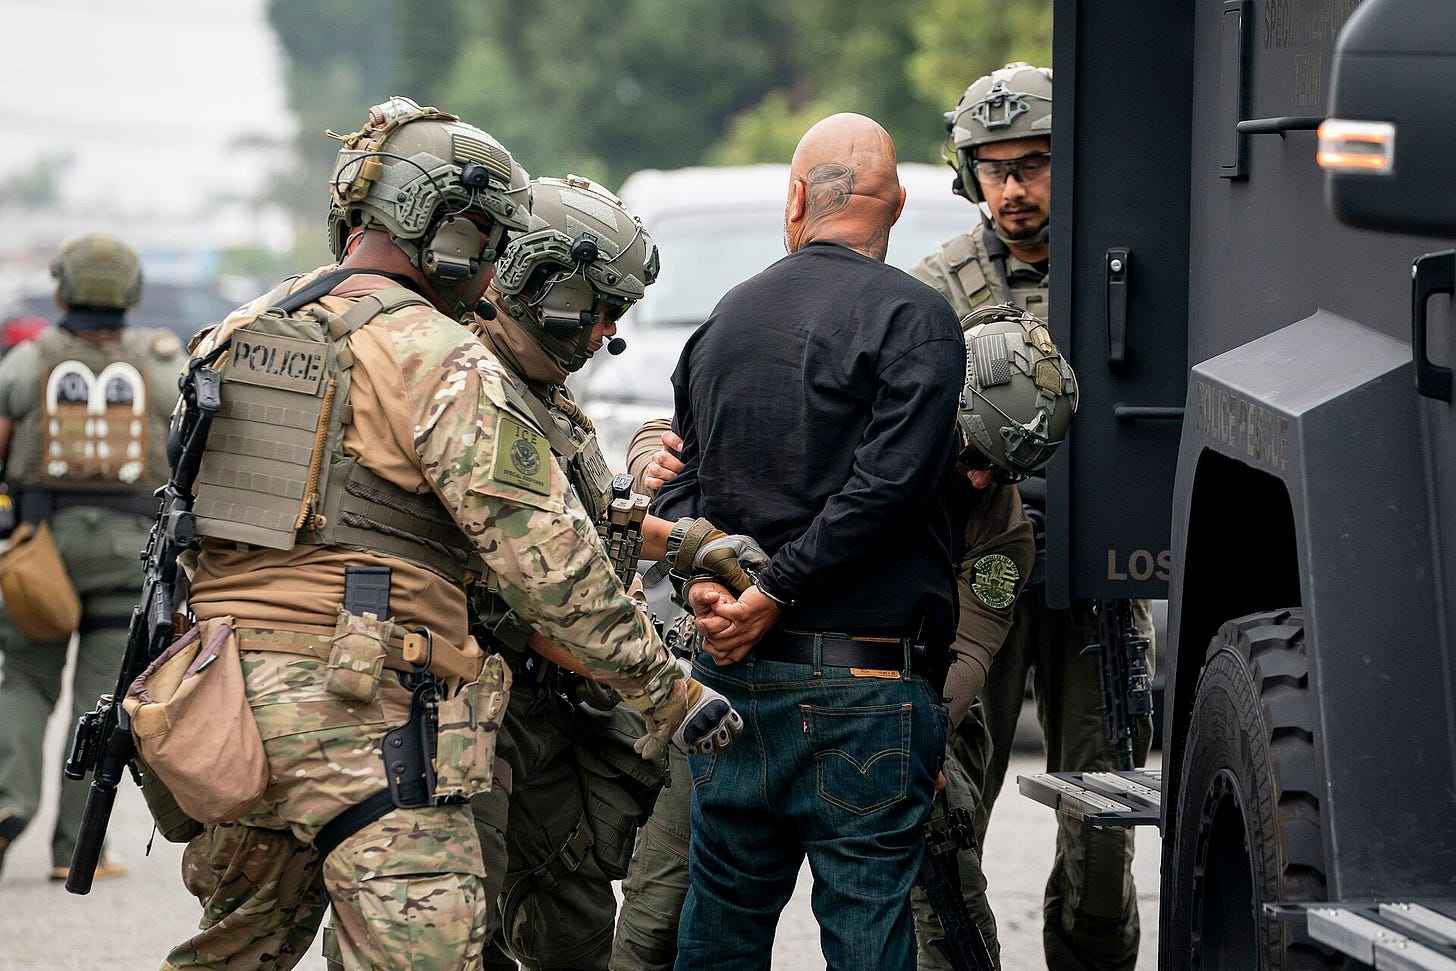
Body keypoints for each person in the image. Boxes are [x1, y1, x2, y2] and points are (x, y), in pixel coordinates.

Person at [155, 97, 742, 971]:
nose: (493, 268)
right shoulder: (437, 355)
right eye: (489, 241)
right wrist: (672, 694)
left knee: (234, 951)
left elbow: (183, 528)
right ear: (450, 235)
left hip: (225, 707)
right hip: (367, 717)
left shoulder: (235, 334)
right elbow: (553, 568)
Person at [655, 112, 965, 971]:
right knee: (866, 928)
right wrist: (774, 590)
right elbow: (888, 488)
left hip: (733, 680)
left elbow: (680, 478)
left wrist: (708, 585)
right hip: (863, 693)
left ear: (796, 200)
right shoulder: (917, 319)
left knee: (720, 924)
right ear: (896, 204)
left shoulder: (726, 318)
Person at [463, 174, 758, 971]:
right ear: (546, 285)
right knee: (450, 935)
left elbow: (593, 513)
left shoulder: (540, 393)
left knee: (574, 925)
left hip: (538, 703)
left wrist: (688, 542)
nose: (610, 332)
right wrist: (663, 687)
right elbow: (546, 591)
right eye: (601, 306)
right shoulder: (471, 390)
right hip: (466, 705)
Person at [908, 63, 1155, 971]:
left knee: (1105, 832)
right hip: (977, 574)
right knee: (950, 809)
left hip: (1098, 582)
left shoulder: (1125, 274)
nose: (1013, 188)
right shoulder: (935, 287)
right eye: (994, 167)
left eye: (1035, 164)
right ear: (967, 173)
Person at [0, 233, 183, 882]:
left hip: (40, 547)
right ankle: (74, 848)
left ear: (60, 290)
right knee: (101, 697)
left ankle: (7, 803)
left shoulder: (27, 361)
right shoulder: (161, 363)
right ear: (131, 292)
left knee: (25, 678)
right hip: (128, 551)